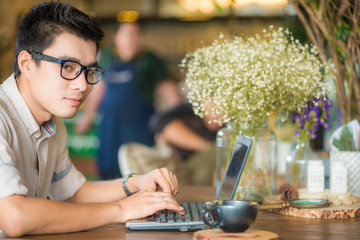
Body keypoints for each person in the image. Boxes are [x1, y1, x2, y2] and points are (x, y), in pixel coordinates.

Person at [0, 2, 183, 237]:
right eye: (67, 67)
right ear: (27, 63)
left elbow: (74, 193)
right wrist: (121, 210)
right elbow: (15, 216)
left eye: (89, 71)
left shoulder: (52, 125)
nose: (83, 85)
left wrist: (136, 183)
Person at [75, 21, 180, 180]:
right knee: (108, 175)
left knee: (139, 177)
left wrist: (171, 125)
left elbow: (171, 95)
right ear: (116, 37)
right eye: (129, 34)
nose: (134, 39)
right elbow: (98, 87)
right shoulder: (108, 57)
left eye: (137, 34)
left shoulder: (149, 60)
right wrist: (87, 116)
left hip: (139, 133)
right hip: (110, 131)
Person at [119, 102, 222, 186]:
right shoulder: (189, 112)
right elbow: (161, 122)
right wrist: (206, 146)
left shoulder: (225, 126)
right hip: (183, 173)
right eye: (217, 108)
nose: (220, 115)